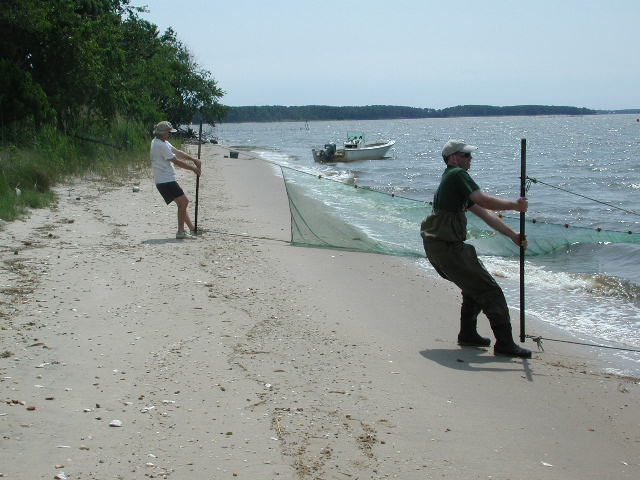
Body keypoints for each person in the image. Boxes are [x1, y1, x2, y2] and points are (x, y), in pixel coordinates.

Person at [420, 139, 532, 358]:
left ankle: (468, 335)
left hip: (441, 247)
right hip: (447, 248)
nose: (470, 159)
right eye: (466, 155)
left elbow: (484, 213)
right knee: (490, 291)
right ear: (453, 158)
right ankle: (505, 345)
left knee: (474, 287)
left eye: (470, 156)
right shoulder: (456, 174)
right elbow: (484, 200)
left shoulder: (453, 181)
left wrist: (513, 236)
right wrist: (514, 205)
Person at [150, 121, 202, 239]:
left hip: (164, 180)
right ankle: (180, 231)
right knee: (184, 202)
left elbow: (177, 153)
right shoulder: (160, 145)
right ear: (162, 133)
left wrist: (193, 159)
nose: (170, 135)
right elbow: (176, 161)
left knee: (181, 204)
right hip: (165, 180)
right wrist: (193, 169)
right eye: (169, 132)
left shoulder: (162, 142)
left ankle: (192, 229)